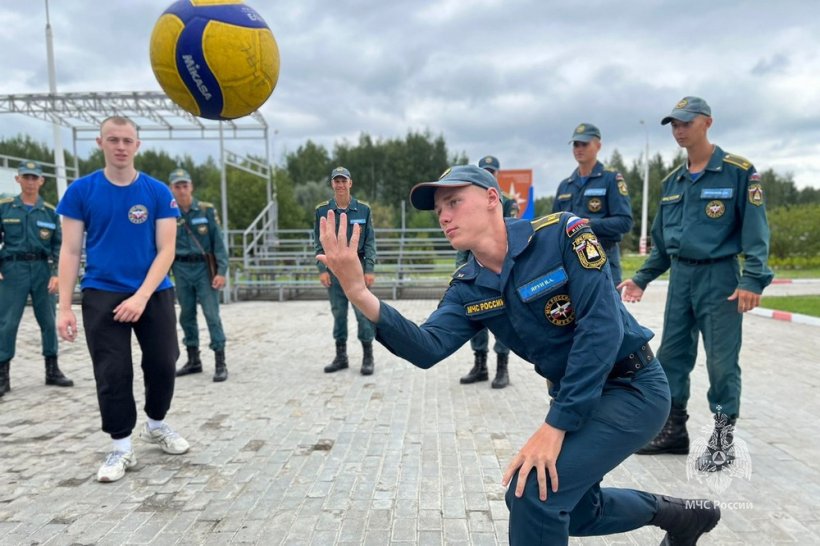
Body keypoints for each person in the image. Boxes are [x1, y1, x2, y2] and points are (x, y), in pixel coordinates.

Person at [317, 164, 720, 545]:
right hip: (577, 398)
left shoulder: (563, 233)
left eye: (454, 202)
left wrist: (556, 424)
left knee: (534, 496)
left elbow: (601, 329)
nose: (444, 216)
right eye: (439, 210)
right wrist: (359, 292)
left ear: (493, 198)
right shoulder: (469, 286)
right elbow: (427, 348)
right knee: (574, 510)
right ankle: (680, 516)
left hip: (632, 388)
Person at [619, 97, 773, 465]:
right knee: (672, 357)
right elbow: (661, 244)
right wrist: (641, 279)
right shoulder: (673, 182)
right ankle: (673, 432)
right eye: (674, 124)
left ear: (707, 123)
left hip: (720, 278)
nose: (679, 130)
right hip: (681, 278)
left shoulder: (738, 172)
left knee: (721, 362)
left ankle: (722, 441)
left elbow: (756, 231)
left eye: (686, 123)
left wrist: (753, 279)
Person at [57, 116, 189, 483]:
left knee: (164, 361)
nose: (120, 146)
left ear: (137, 145)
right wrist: (64, 308)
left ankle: (157, 423)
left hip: (153, 290)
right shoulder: (81, 192)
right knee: (113, 371)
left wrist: (142, 296)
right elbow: (69, 251)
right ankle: (120, 446)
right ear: (100, 143)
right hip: (102, 290)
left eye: (127, 140)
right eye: (112, 139)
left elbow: (167, 250)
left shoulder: (157, 192)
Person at [0, 160, 73, 397]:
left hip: (42, 271)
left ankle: (52, 370)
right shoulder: (5, 207)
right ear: (18, 179)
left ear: (41, 180)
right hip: (13, 270)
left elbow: (59, 246)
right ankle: (3, 374)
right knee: (7, 322)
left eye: (35, 177)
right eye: (26, 177)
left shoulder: (50, 212)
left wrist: (56, 275)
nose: (30, 181)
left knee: (48, 320)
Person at [458, 155, 516, 389]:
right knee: (476, 316)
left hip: (499, 268)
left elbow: (513, 235)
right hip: (475, 269)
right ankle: (480, 364)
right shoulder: (468, 202)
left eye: (492, 171)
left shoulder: (508, 203)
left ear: (497, 174)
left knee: (503, 319)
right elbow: (463, 238)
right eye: (484, 171)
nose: (489, 174)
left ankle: (502, 367)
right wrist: (460, 270)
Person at [314, 166, 377, 375]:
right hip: (333, 268)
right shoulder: (322, 211)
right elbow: (318, 242)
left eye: (344, 181)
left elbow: (369, 242)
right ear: (332, 184)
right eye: (336, 181)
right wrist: (322, 269)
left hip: (357, 268)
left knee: (362, 313)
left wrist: (369, 268)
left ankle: (368, 356)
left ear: (350, 183)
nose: (340, 185)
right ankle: (341, 356)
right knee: (338, 312)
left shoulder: (363, 210)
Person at [168, 167, 230, 382]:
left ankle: (220, 360)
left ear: (191, 187)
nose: (182, 190)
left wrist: (221, 271)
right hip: (180, 268)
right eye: (177, 186)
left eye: (185, 185)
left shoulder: (206, 211)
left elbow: (219, 244)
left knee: (211, 314)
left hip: (204, 269)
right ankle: (193, 359)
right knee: (186, 315)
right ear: (171, 189)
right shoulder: (168, 213)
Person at [552, 123, 633, 286]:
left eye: (584, 144)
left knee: (607, 310)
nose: (579, 148)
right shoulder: (565, 185)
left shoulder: (611, 179)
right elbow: (554, 225)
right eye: (576, 144)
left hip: (603, 257)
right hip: (571, 261)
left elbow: (625, 222)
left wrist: (588, 225)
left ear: (598, 146)